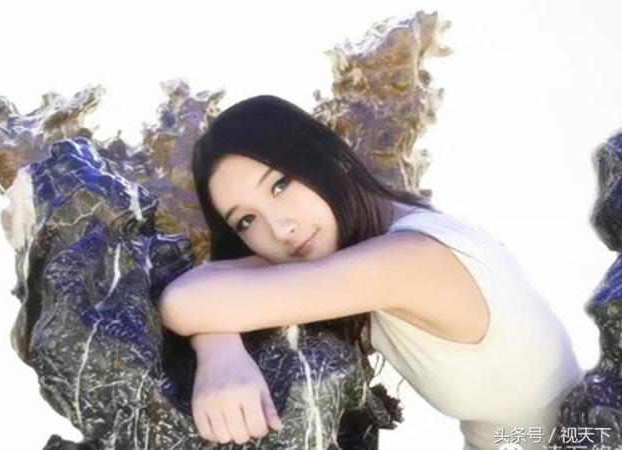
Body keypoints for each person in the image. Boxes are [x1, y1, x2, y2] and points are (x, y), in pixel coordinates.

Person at [158, 94, 584, 449]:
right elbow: (209, 287)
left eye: (280, 184)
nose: (281, 229)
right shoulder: (354, 235)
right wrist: (220, 349)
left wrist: (215, 339)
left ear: (325, 157)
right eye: (247, 220)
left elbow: (184, 301)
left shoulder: (410, 260)